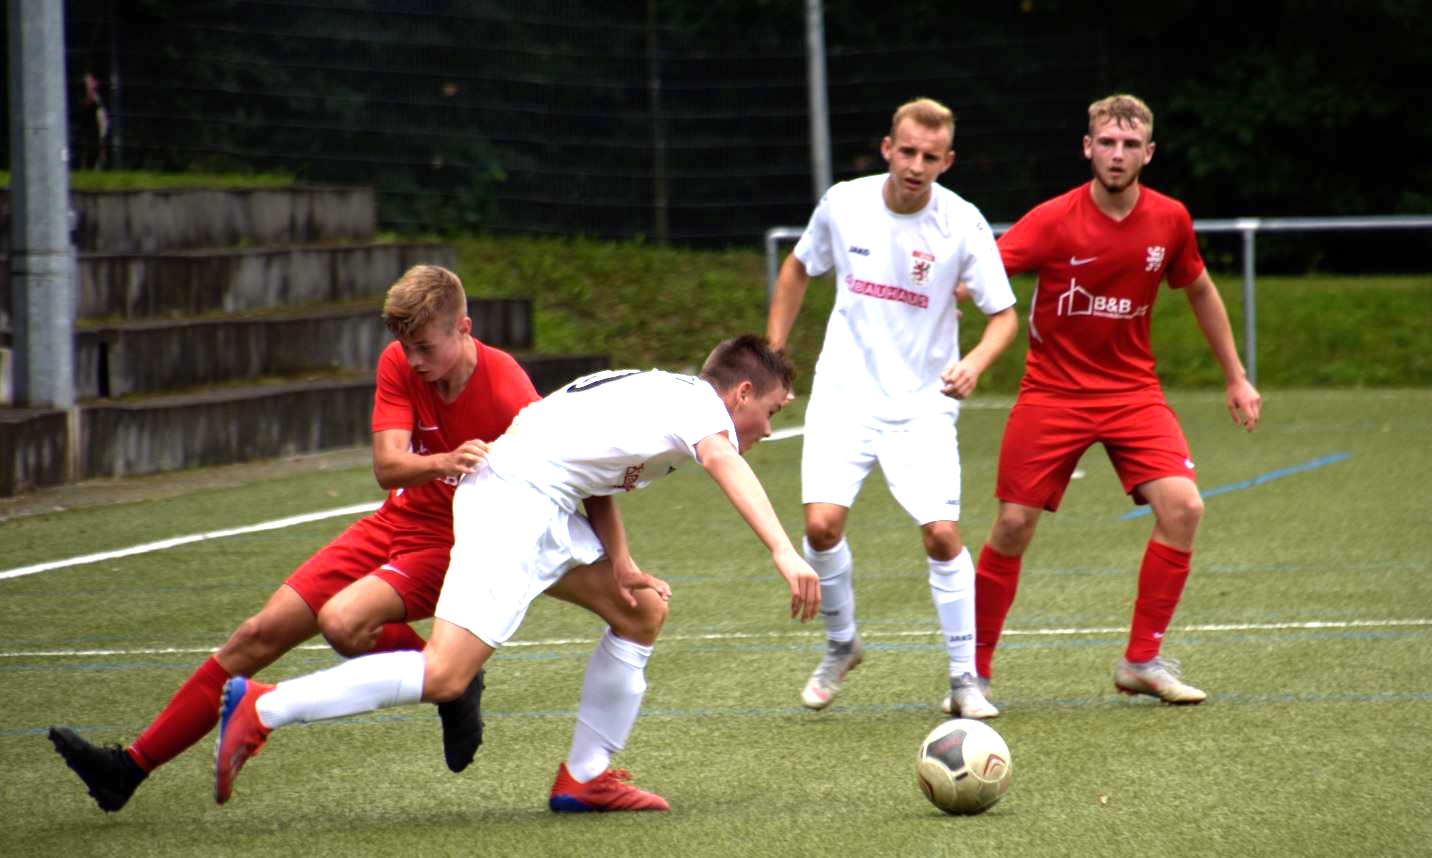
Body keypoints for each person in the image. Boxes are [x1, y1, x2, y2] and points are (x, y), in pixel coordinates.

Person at [213, 335, 821, 812]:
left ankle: (585, 778)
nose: (768, 429)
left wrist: (622, 562)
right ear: (741, 393)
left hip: (541, 499)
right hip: (514, 501)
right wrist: (783, 551)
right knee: (446, 674)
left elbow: (595, 473)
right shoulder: (697, 408)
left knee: (641, 612)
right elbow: (720, 459)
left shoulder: (662, 395)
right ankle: (264, 708)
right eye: (771, 411)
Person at [49, 265, 542, 812]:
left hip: (451, 544)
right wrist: (445, 461)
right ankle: (128, 769)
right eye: (407, 347)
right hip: (392, 524)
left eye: (425, 347)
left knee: (344, 625)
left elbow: (563, 474)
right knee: (257, 634)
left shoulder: (508, 388)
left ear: (464, 328)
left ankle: (448, 677)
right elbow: (388, 466)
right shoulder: (399, 361)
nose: (414, 359)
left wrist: (607, 557)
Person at [971, 94, 1262, 707]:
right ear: (1087, 147)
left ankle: (1142, 661)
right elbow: (980, 279)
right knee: (1014, 524)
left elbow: (1201, 290)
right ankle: (973, 672)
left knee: (1184, 508)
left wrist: (1236, 376)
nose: (1117, 154)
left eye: (1130, 145)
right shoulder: (1051, 219)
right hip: (1052, 392)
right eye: (1107, 142)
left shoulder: (1170, 219)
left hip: (1133, 393)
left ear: (1148, 153)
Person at [766, 97, 1018, 718]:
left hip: (924, 403)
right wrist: (772, 356)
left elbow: (1005, 317)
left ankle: (964, 679)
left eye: (930, 157)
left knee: (942, 534)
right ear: (887, 148)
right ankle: (842, 643)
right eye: (906, 152)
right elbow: (797, 269)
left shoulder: (962, 223)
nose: (915, 166)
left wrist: (974, 363)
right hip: (845, 392)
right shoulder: (843, 203)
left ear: (947, 161)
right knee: (821, 528)